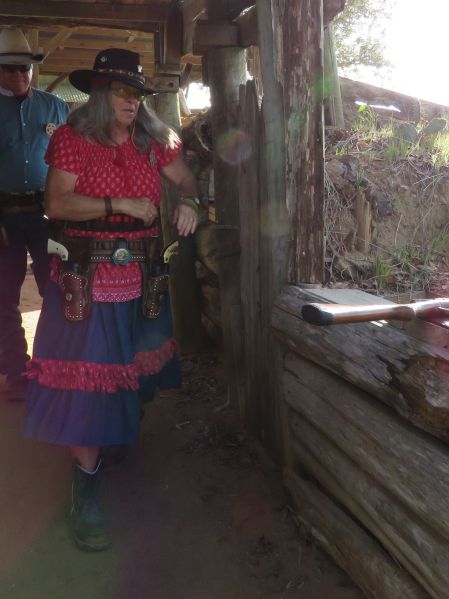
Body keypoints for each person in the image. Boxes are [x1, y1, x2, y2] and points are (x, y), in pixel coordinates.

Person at [24, 48, 200, 552]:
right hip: (86, 278)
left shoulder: (153, 140)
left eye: (137, 93)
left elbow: (186, 179)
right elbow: (57, 203)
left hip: (142, 275)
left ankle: (114, 433)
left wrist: (190, 201)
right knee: (87, 380)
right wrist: (119, 202)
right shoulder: (72, 139)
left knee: (131, 371)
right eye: (122, 91)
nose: (131, 101)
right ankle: (86, 487)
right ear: (100, 92)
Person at [0, 29, 69, 400]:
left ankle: (54, 367)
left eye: (23, 68)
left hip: (48, 214)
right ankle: (16, 371)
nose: (18, 75)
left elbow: (71, 161)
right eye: (10, 68)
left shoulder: (55, 107)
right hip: (3, 217)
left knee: (56, 290)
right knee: (4, 297)